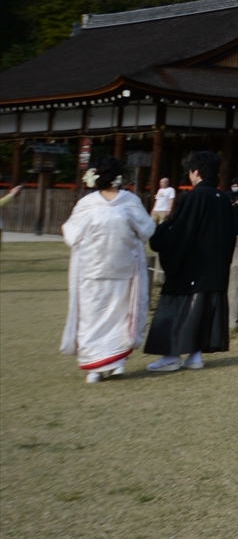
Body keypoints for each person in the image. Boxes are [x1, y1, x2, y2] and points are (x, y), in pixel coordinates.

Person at [60, 155, 155, 382]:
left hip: (97, 269)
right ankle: (108, 363)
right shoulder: (129, 201)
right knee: (114, 316)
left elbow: (71, 234)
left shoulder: (88, 204)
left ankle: (106, 365)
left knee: (97, 317)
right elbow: (146, 229)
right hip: (117, 267)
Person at [143, 150, 238, 372]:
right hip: (215, 268)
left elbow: (180, 231)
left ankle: (170, 357)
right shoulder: (223, 199)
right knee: (202, 311)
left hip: (192, 266)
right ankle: (195, 355)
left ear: (196, 172)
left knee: (179, 309)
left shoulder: (194, 197)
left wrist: (158, 235)